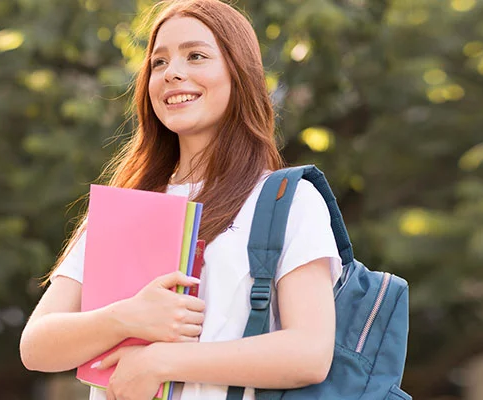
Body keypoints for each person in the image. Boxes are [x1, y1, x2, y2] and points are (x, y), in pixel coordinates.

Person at [18, 1, 345, 400]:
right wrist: (125, 318)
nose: (172, 72)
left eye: (196, 56)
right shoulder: (127, 205)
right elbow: (37, 347)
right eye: (158, 63)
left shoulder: (285, 200)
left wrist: (162, 362)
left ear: (238, 73)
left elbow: (309, 353)